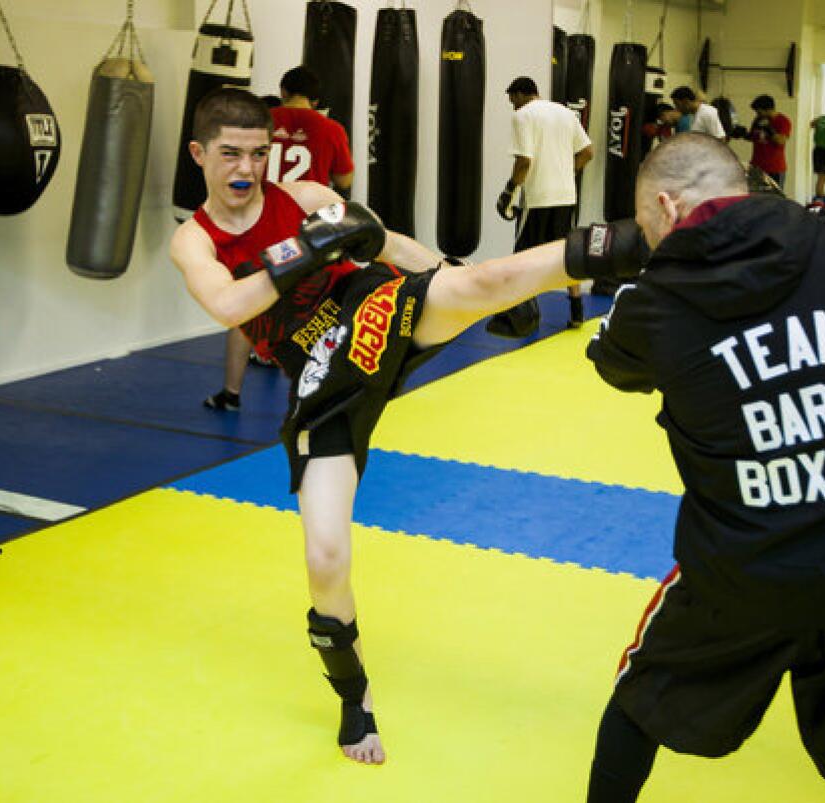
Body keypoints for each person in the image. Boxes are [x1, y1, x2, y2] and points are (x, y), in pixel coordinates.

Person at [170, 87, 611, 766]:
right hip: (321, 375)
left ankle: (646, 248)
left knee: (484, 281)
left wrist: (448, 273)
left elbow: (390, 244)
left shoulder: (308, 195)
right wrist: (303, 253)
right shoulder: (192, 239)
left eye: (258, 153)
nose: (246, 168)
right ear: (199, 154)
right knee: (324, 554)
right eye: (230, 153)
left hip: (373, 311)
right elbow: (228, 301)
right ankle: (355, 697)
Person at [579, 133, 825, 802]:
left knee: (639, 698)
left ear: (669, 207)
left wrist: (638, 263)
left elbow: (613, 361)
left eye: (653, 231)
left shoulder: (651, 306)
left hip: (744, 572)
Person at [203, 66, 356, 412]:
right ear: (316, 99)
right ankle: (322, 395)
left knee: (246, 311)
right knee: (322, 313)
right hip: (307, 235)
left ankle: (231, 392)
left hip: (256, 227)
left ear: (284, 91)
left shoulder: (262, 122)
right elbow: (344, 180)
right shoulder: (330, 128)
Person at [492, 76, 593, 333]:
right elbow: (587, 153)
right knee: (564, 253)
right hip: (566, 197)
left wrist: (508, 191)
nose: (512, 104)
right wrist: (566, 174)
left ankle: (523, 316)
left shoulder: (524, 115)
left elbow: (524, 161)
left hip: (537, 199)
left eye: (512, 98)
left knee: (524, 256)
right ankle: (577, 311)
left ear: (521, 94)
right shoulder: (566, 113)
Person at [734, 94, 791, 188]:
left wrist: (769, 129)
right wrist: (742, 134)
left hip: (774, 168)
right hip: (756, 167)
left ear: (768, 109)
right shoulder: (758, 119)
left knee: (775, 199)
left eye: (759, 111)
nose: (757, 114)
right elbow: (753, 137)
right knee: (756, 197)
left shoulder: (783, 121)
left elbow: (781, 141)